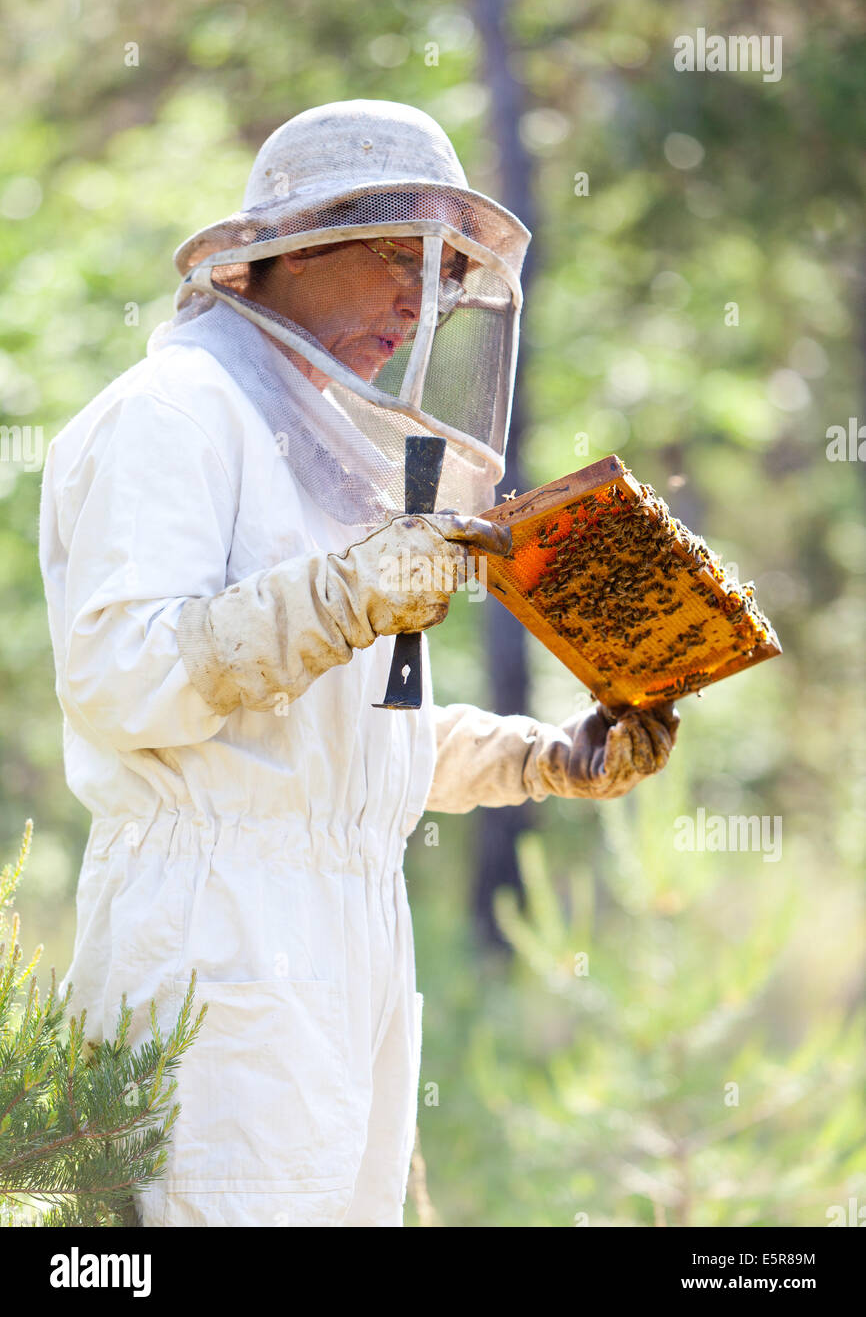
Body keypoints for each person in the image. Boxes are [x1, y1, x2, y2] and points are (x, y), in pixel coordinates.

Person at [38, 99, 679, 1228]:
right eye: (393, 255)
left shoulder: (333, 452)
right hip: (213, 939)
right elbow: (121, 678)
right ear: (285, 247)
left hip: (349, 944)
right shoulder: (176, 411)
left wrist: (542, 759)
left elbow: (348, 742)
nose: (416, 299)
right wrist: (341, 597)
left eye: (435, 272)